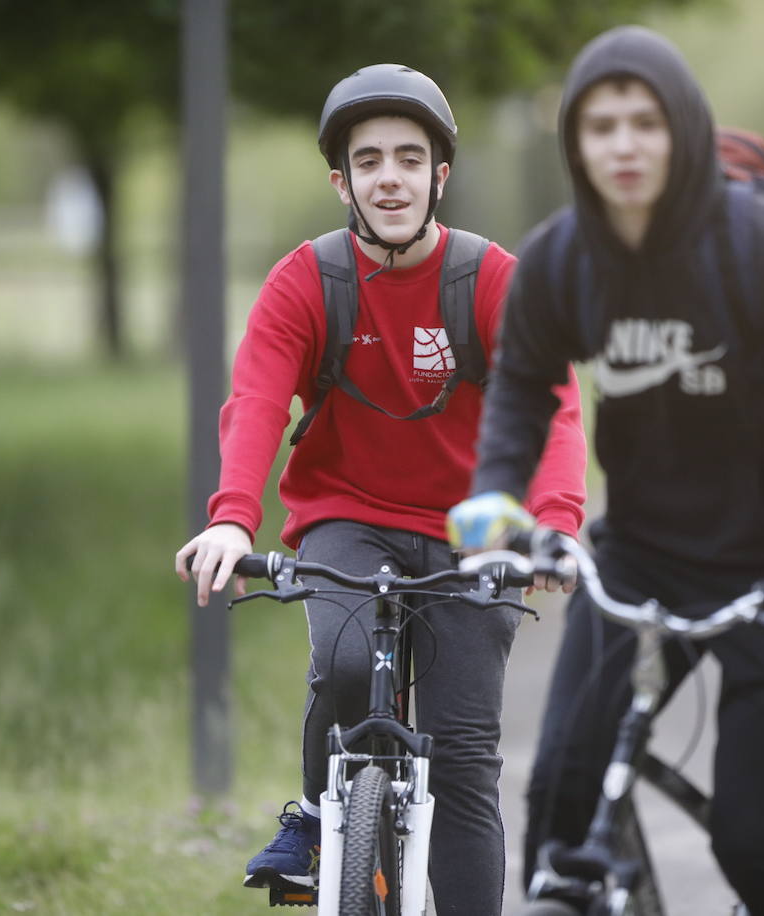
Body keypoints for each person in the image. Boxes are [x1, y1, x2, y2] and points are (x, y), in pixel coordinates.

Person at [447, 26, 764, 915]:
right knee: (560, 802)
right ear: (576, 143)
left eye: (646, 122)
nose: (625, 145)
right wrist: (495, 490)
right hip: (643, 556)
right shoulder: (565, 257)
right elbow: (524, 382)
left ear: (682, 130)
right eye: (600, 127)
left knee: (749, 841)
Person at [174, 63, 589, 914]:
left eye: (409, 157)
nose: (389, 177)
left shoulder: (490, 280)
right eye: (368, 161)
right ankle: (320, 820)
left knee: (465, 758)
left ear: (440, 175)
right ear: (342, 181)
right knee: (346, 661)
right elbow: (255, 402)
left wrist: (553, 524)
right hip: (346, 518)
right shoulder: (308, 281)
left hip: (477, 533)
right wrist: (230, 520)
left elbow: (552, 408)